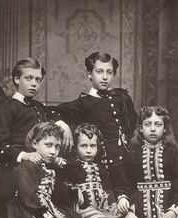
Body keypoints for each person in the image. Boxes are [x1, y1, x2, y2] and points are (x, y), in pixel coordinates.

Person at [54, 123, 158, 218]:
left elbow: (108, 188)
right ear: (75, 148)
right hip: (85, 209)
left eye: (92, 146)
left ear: (97, 148)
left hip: (103, 207)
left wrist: (116, 202)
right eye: (83, 146)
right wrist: (74, 191)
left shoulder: (101, 168)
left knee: (126, 212)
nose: (88, 150)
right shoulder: (71, 166)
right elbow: (63, 183)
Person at [56, 52, 138, 186]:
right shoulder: (84, 103)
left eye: (109, 72)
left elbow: (134, 124)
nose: (105, 77)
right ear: (90, 74)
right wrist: (62, 124)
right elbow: (51, 111)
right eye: (99, 72)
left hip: (128, 162)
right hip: (105, 166)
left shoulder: (122, 97)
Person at [0, 57, 72, 168]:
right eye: (29, 78)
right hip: (17, 166)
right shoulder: (7, 108)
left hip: (42, 164)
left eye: (38, 79)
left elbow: (53, 112)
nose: (34, 83)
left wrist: (62, 124)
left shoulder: (38, 106)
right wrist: (24, 155)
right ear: (17, 79)